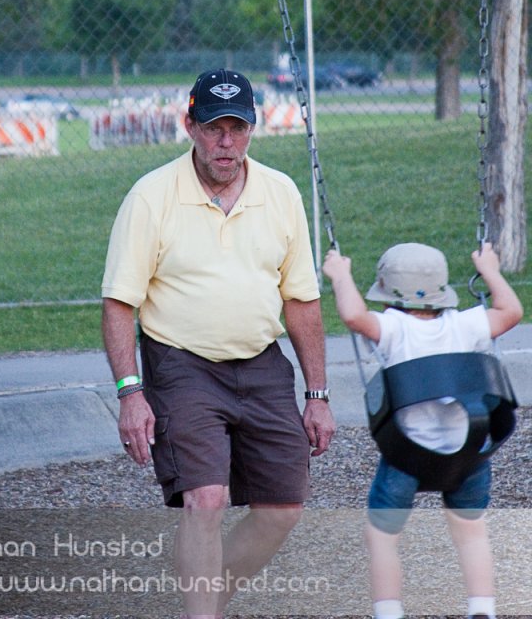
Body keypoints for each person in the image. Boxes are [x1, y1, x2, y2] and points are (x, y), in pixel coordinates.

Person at [102, 68, 336, 619]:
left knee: (282, 508)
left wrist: (318, 394)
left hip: (261, 362)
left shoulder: (280, 193)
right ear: (190, 126)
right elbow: (119, 304)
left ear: (253, 129)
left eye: (237, 127)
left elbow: (301, 301)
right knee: (204, 502)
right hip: (182, 366)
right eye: (213, 128)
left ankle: (201, 600)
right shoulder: (151, 197)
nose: (225, 141)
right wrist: (129, 391)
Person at [322, 240, 523, 619]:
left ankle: (389, 611)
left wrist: (340, 275)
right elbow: (511, 311)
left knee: (382, 535)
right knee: (471, 529)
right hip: (469, 454)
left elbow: (351, 315)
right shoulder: (466, 324)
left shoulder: (392, 329)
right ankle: (482, 608)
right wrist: (490, 269)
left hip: (407, 455)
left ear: (387, 293)